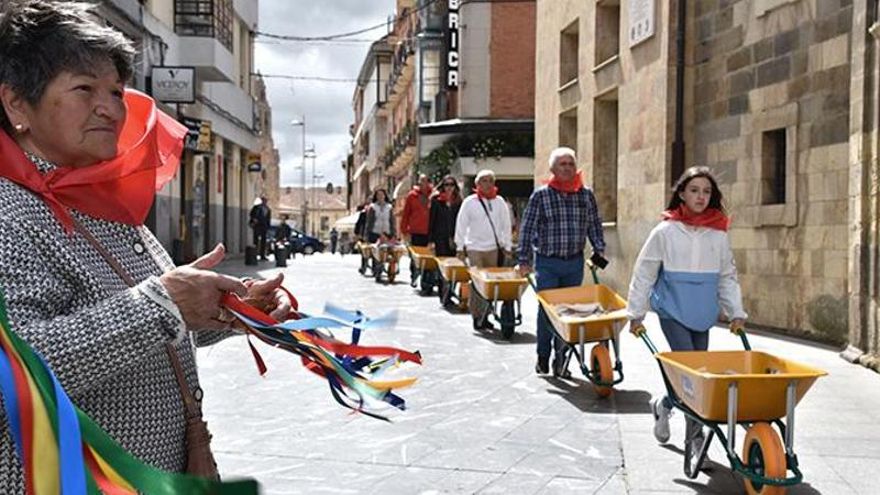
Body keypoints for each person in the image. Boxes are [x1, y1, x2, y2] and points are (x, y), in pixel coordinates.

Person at [0, 1, 292, 489]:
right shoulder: (9, 213)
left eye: (116, 90)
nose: (111, 108)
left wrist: (228, 308)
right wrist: (163, 303)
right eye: (84, 89)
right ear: (16, 104)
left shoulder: (99, 202)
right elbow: (11, 374)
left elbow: (147, 326)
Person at [625, 166, 747, 459]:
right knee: (695, 376)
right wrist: (636, 312)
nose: (701, 196)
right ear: (681, 194)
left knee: (692, 376)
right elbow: (645, 272)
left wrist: (736, 312)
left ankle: (663, 405)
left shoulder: (718, 235)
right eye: (694, 190)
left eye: (706, 191)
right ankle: (695, 440)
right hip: (672, 310)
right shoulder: (665, 232)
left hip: (702, 313)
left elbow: (727, 276)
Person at [516, 147, 606, 378]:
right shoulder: (541, 195)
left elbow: (594, 225)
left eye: (571, 163)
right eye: (562, 164)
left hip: (574, 262)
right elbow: (527, 229)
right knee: (548, 311)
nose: (567, 168)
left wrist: (599, 252)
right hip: (547, 262)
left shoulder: (586, 195)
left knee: (569, 312)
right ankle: (543, 356)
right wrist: (523, 260)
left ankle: (561, 360)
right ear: (553, 169)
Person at [455, 169, 512, 330]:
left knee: (490, 284)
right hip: (474, 247)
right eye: (484, 181)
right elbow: (461, 224)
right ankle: (476, 314)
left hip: (493, 248)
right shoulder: (470, 202)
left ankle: (486, 315)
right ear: (477, 184)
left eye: (490, 181)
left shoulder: (500, 202)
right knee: (477, 283)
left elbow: (506, 225)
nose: (487, 184)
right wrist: (460, 246)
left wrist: (507, 246)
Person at [428, 175, 463, 257]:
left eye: (452, 184)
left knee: (453, 260)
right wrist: (430, 240)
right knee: (442, 259)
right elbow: (432, 220)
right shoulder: (436, 200)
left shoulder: (459, 201)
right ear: (443, 186)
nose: (449, 187)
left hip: (454, 237)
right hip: (440, 237)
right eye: (446, 184)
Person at [401, 173, 432, 246]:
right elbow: (406, 214)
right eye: (421, 180)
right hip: (415, 232)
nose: (423, 183)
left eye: (425, 180)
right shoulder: (411, 196)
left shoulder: (433, 195)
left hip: (430, 232)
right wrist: (404, 231)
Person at [249, 195, 271, 261]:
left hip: (264, 226)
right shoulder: (257, 207)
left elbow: (268, 219)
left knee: (263, 241)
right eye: (263, 200)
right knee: (255, 240)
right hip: (257, 226)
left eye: (266, 200)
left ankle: (262, 255)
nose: (265, 202)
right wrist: (254, 219)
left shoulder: (268, 209)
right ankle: (254, 254)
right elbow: (251, 214)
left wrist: (268, 227)